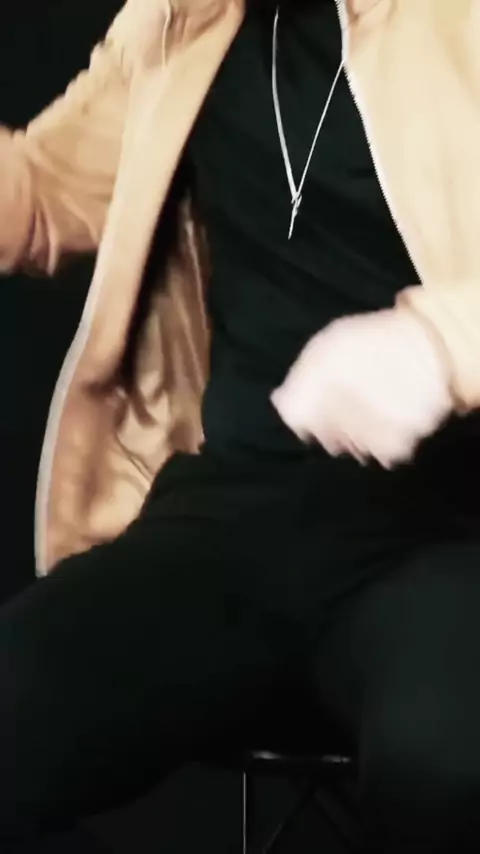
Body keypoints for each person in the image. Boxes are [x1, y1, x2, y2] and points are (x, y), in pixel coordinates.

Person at [1, 0, 480, 850]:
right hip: (236, 510)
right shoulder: (184, 20)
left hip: (450, 529)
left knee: (449, 767)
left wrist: (442, 346)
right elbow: (44, 196)